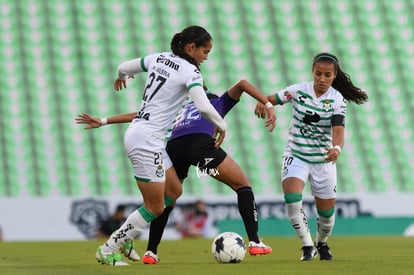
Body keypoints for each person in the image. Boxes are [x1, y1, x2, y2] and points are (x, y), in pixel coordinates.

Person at [76, 78, 276, 264]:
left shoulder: (179, 108)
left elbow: (140, 115)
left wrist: (103, 121)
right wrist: (267, 103)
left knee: (168, 199)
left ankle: (151, 252)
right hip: (199, 146)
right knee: (242, 186)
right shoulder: (216, 102)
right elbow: (241, 83)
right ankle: (256, 242)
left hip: (172, 148)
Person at [93, 25, 228, 266]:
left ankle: (127, 235)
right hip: (147, 141)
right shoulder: (190, 72)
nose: (206, 57)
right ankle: (109, 247)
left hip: (142, 134)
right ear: (191, 47)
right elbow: (205, 106)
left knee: (174, 192)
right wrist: (222, 126)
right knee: (155, 207)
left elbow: (124, 67)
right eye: (205, 51)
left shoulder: (159, 58)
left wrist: (122, 77)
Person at [255, 52, 368, 261]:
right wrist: (264, 103)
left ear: (334, 76)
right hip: (296, 154)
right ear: (312, 72)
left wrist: (337, 148)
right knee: (292, 198)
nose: (322, 79)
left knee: (326, 214)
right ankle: (307, 245)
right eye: (318, 74)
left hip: (323, 160)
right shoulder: (298, 91)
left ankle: (321, 242)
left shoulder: (336, 99)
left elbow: (339, 130)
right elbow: (272, 98)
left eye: (327, 75)